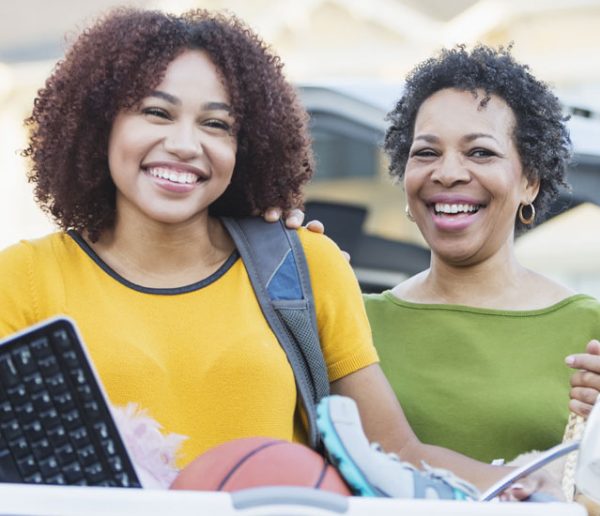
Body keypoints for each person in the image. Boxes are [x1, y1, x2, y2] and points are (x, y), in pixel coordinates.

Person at [0, 10, 553, 498]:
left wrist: (546, 488)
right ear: (100, 124)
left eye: (217, 124)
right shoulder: (22, 279)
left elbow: (397, 457)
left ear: (247, 146)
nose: (187, 144)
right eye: (156, 112)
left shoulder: (304, 265)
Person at [355, 44, 600, 465]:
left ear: (530, 182)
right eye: (427, 152)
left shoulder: (589, 330)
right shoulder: (356, 324)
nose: (448, 173)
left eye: (480, 152)